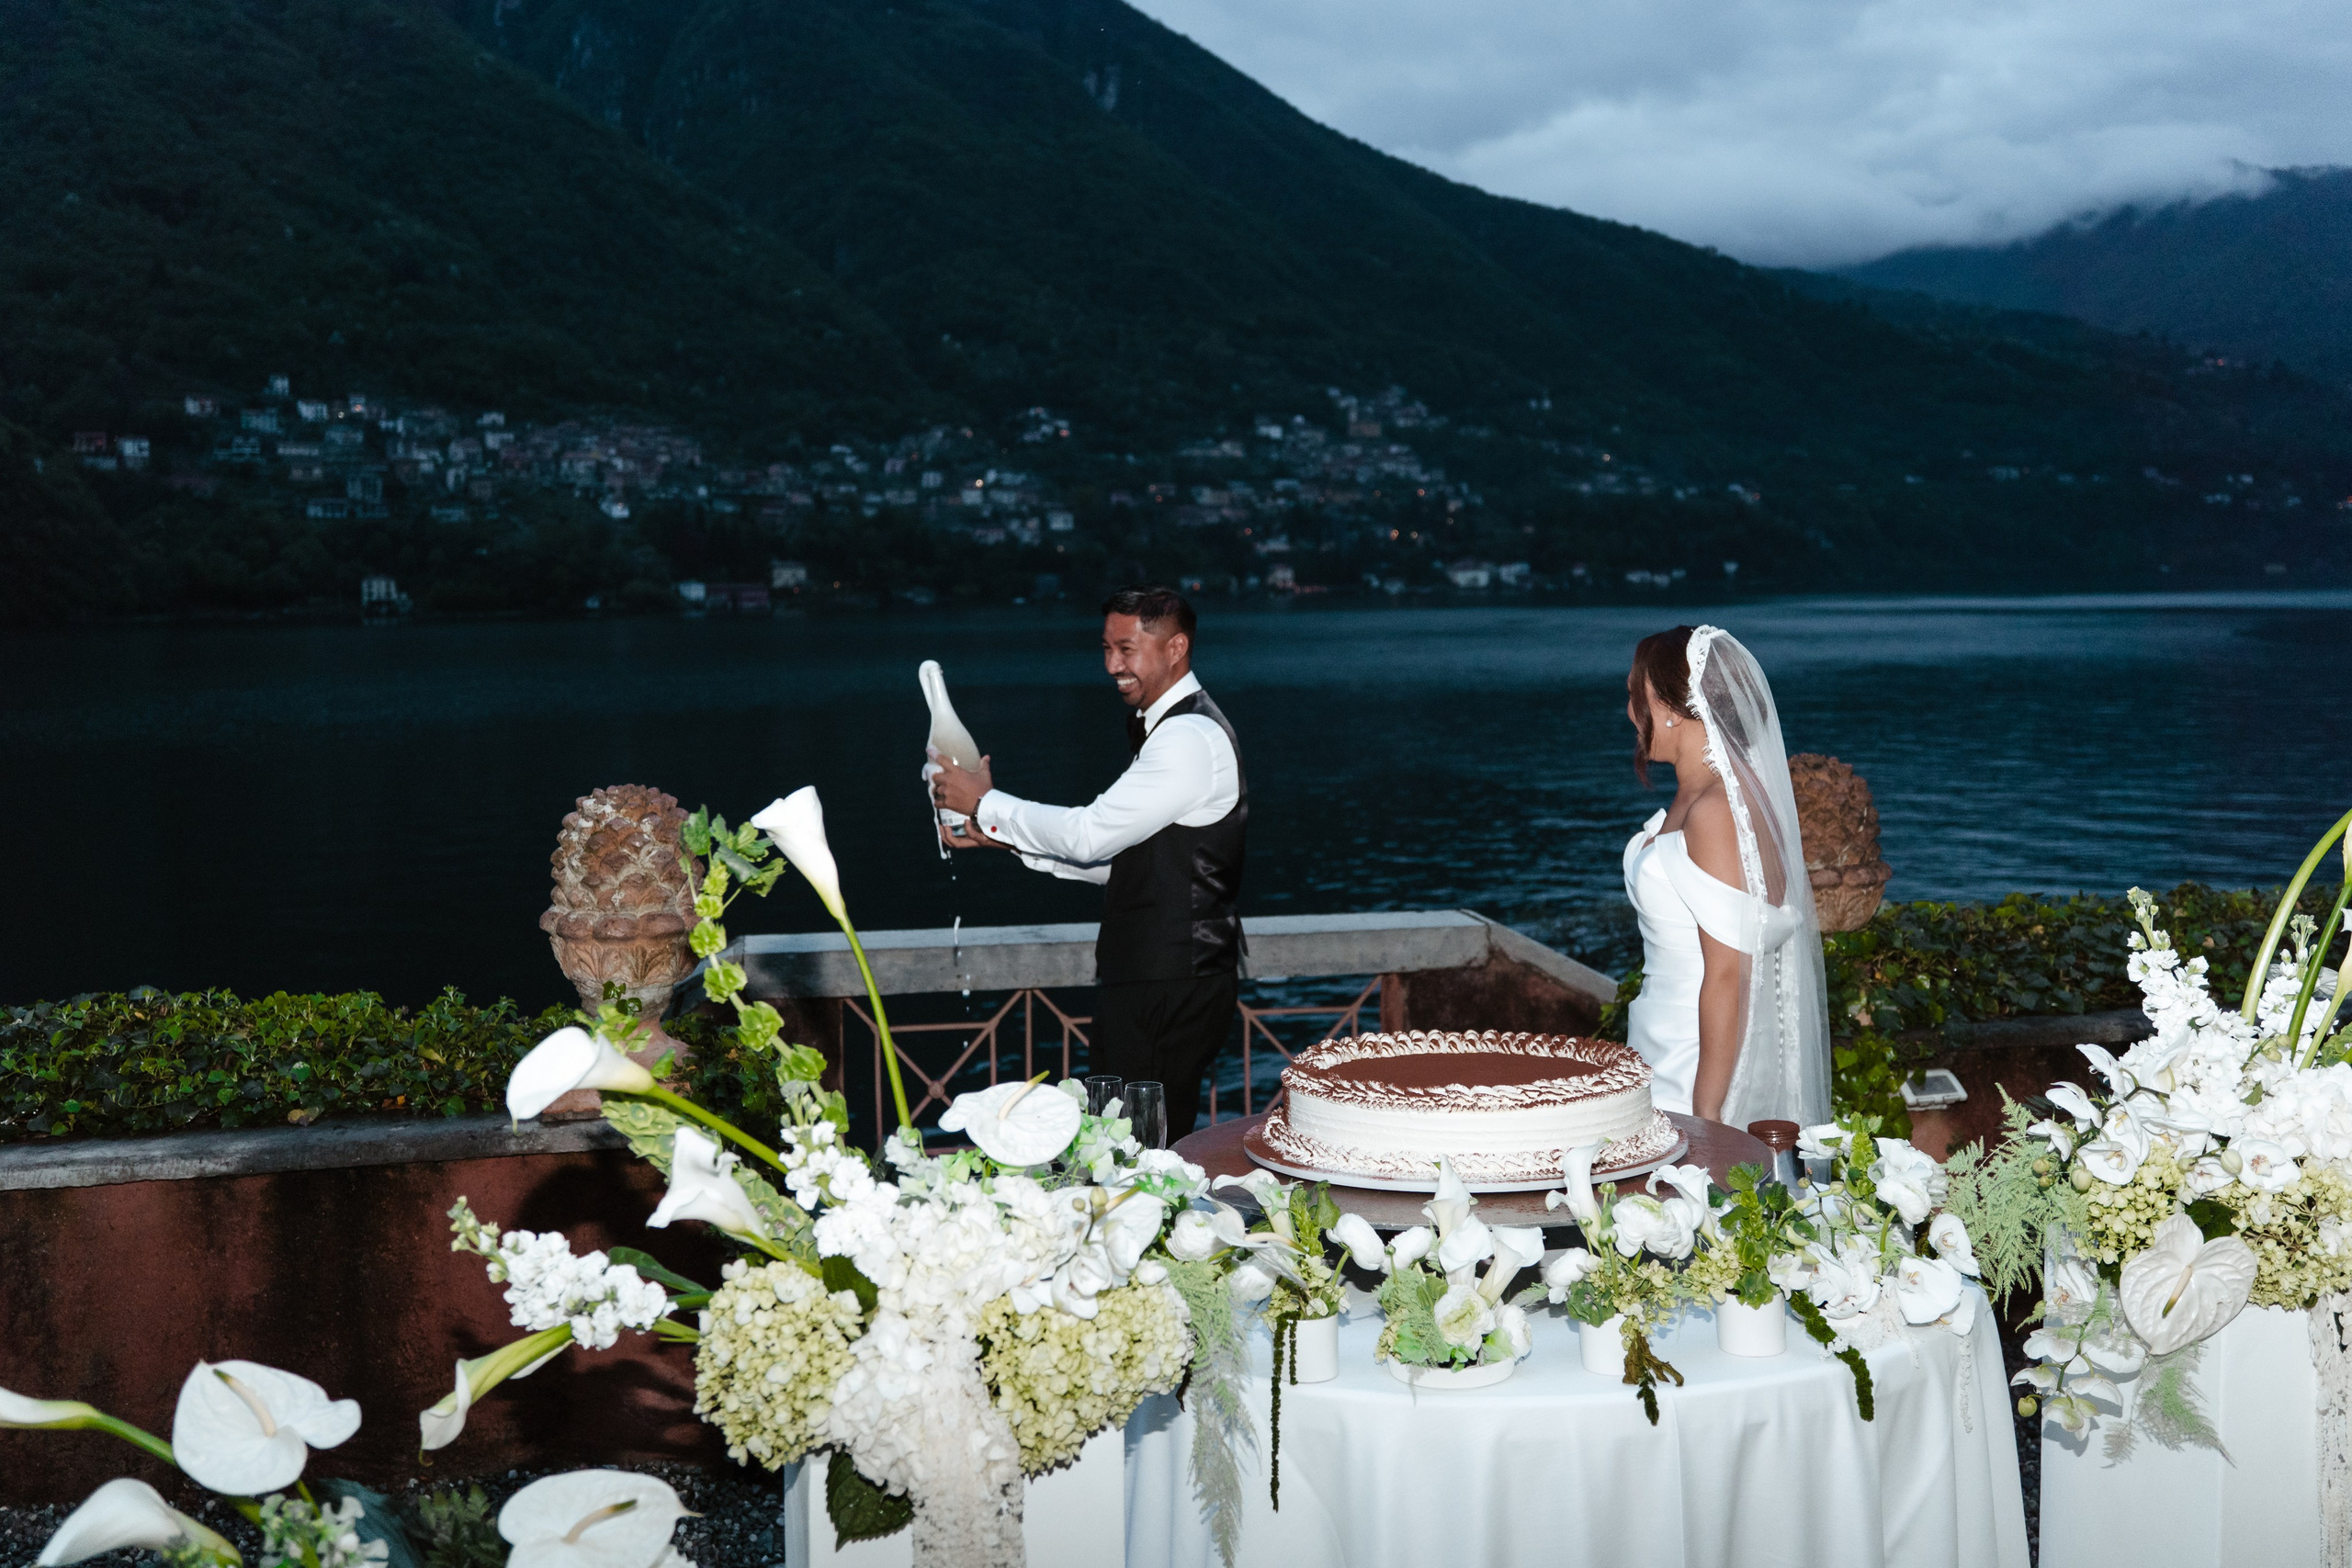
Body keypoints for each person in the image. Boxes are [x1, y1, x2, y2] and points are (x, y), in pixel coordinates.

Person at [928, 586, 1245, 1139]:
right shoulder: (1177, 730)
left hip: (1168, 980)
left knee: (1138, 1151)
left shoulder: (1188, 738)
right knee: (1135, 1144)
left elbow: (1089, 835)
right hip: (1163, 977)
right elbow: (1128, 860)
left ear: (1176, 648)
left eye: (1126, 649)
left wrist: (984, 801)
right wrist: (1003, 839)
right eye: (1105, 648)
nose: (1112, 665)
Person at [1621, 624, 1830, 1128]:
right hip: (1662, 1034)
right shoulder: (1706, 795)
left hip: (1695, 1056)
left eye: (1636, 696)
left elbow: (1730, 972)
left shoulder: (1716, 810)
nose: (1630, 712)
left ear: (1672, 710)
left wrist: (1709, 1111)